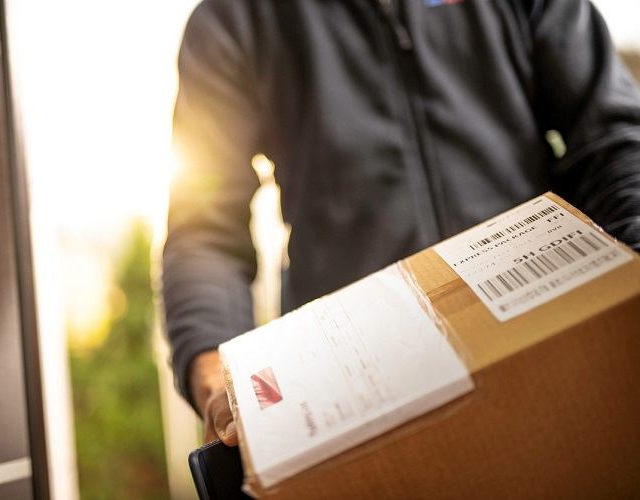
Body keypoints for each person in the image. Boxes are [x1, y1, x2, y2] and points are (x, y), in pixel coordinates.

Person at [161, 0, 640, 445]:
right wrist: (215, 372)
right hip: (355, 402)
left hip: (553, 348)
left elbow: (611, 140)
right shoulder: (236, 17)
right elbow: (205, 233)